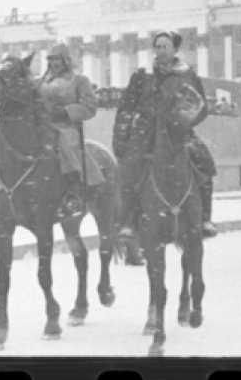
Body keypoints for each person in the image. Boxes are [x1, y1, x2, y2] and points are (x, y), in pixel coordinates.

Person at [113, 30, 209, 243]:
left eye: (166, 46)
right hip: (145, 131)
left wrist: (184, 121)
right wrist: (122, 138)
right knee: (129, 167)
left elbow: (201, 107)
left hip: (179, 131)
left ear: (175, 49)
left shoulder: (187, 75)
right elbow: (126, 107)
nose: (161, 50)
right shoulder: (142, 74)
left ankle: (205, 218)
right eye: (158, 46)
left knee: (203, 161)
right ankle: (127, 221)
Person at [38, 42, 103, 218]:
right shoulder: (39, 82)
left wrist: (65, 112)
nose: (54, 64)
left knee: (64, 143)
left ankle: (74, 189)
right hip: (42, 126)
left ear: (66, 60)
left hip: (66, 126)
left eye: (58, 59)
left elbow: (90, 106)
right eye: (51, 60)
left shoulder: (79, 80)